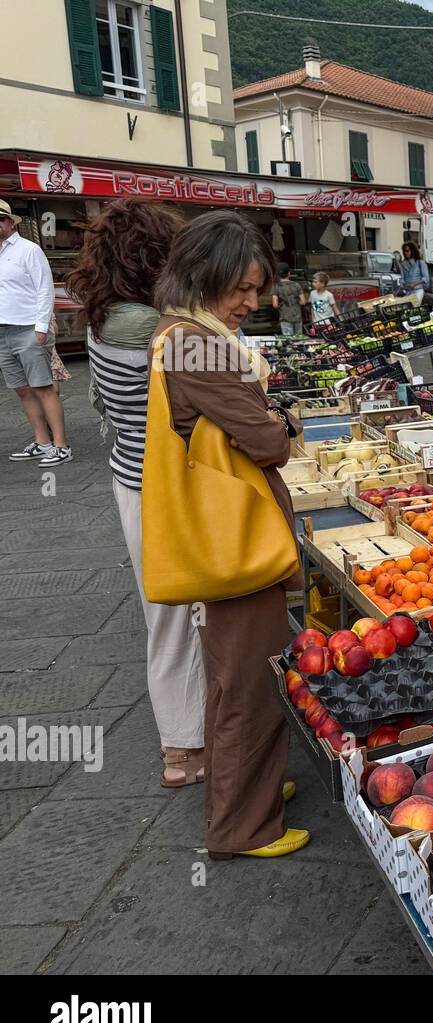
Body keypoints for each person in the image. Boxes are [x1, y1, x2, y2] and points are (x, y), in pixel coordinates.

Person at [150, 210, 308, 860]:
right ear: (201, 276)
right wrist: (283, 422)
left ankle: (239, 786)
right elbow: (267, 440)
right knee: (251, 682)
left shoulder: (177, 333)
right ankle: (243, 828)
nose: (252, 301)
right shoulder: (199, 346)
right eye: (239, 288)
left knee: (230, 675)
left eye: (256, 287)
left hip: (223, 541)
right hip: (236, 545)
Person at [66, 199, 209, 789]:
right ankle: (195, 747)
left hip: (131, 482)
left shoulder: (102, 323)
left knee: (165, 620)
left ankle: (183, 749)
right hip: (179, 491)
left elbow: (107, 409)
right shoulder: (164, 332)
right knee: (199, 618)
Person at [0, 199, 71, 466]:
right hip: (3, 331)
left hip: (28, 328)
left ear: (9, 222)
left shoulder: (28, 250)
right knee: (22, 390)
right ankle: (42, 442)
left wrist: (41, 327)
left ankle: (61, 446)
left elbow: (44, 289)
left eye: (0, 219)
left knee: (43, 389)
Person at [271, 263, 305, 336]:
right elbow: (303, 302)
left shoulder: (276, 286)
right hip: (297, 317)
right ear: (289, 273)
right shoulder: (296, 285)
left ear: (278, 275)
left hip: (285, 318)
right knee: (298, 339)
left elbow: (275, 305)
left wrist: (281, 305)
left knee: (288, 340)